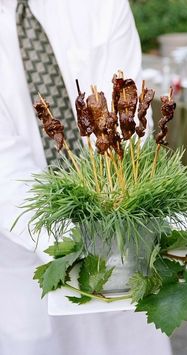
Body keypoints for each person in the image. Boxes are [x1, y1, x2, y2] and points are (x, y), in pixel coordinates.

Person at [0, 1, 172, 354]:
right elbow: (6, 165)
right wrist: (83, 244)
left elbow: (127, 128)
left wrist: (118, 235)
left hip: (124, 237)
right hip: (23, 251)